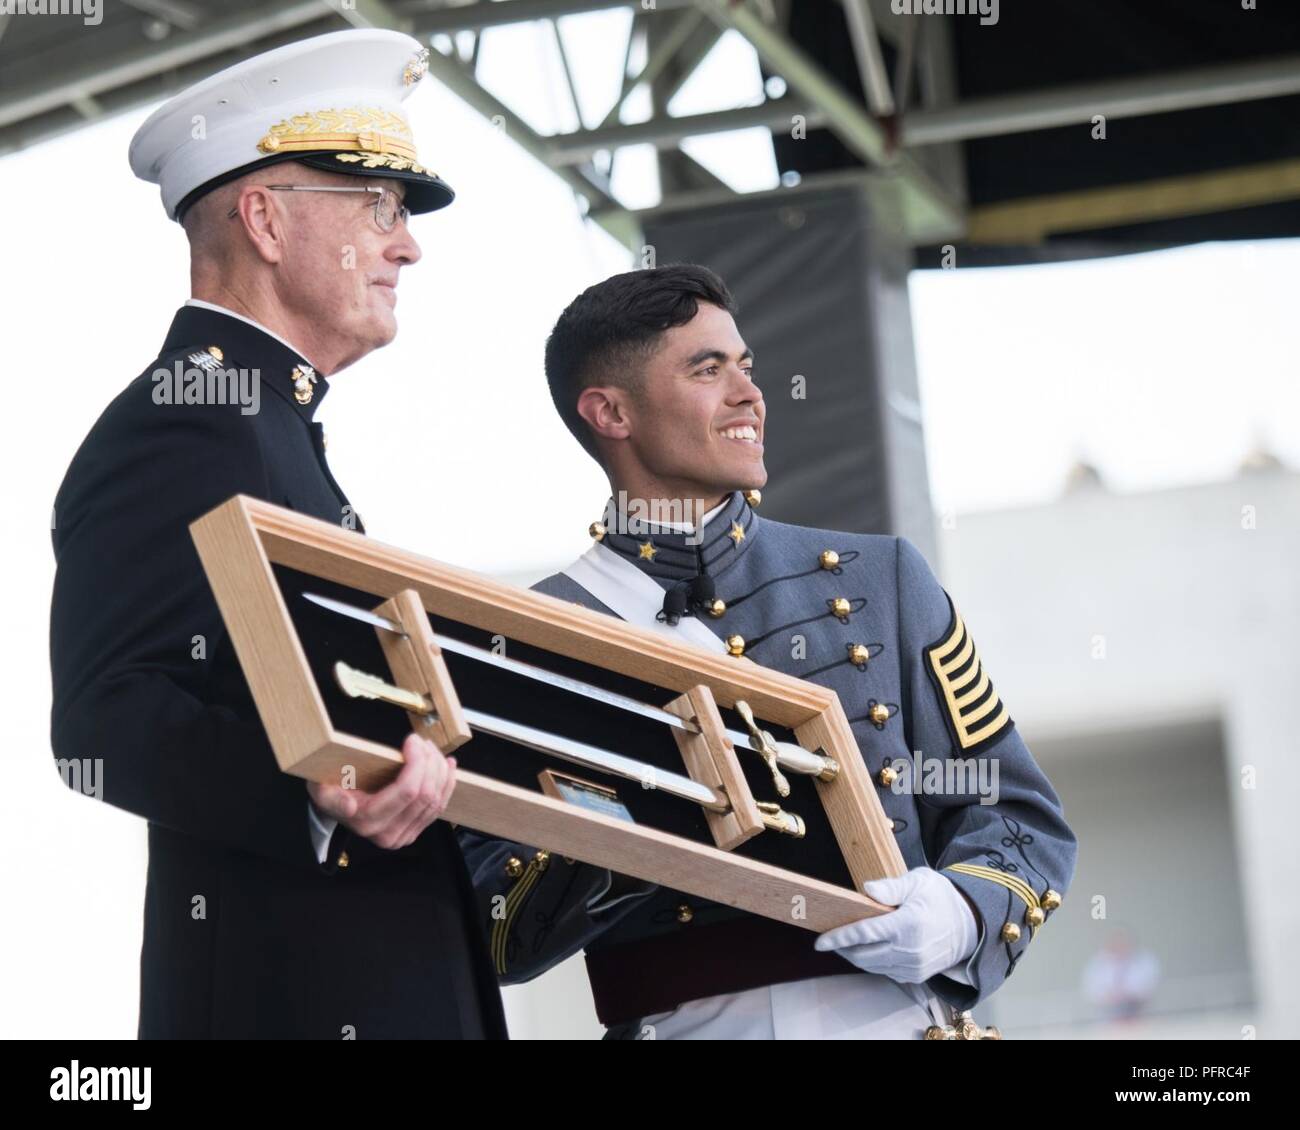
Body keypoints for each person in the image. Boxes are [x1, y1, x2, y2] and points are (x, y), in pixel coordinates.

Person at [462, 264, 1076, 1039]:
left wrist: (958, 913)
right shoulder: (527, 638)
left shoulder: (882, 577)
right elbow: (495, 929)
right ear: (610, 411)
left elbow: (1013, 811)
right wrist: (634, 800)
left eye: (744, 366)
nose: (750, 394)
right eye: (707, 369)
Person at [49, 29, 505, 1039]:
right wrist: (317, 780)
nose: (408, 243)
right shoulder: (192, 416)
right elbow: (104, 717)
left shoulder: (262, 424)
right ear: (261, 217)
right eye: (379, 207)